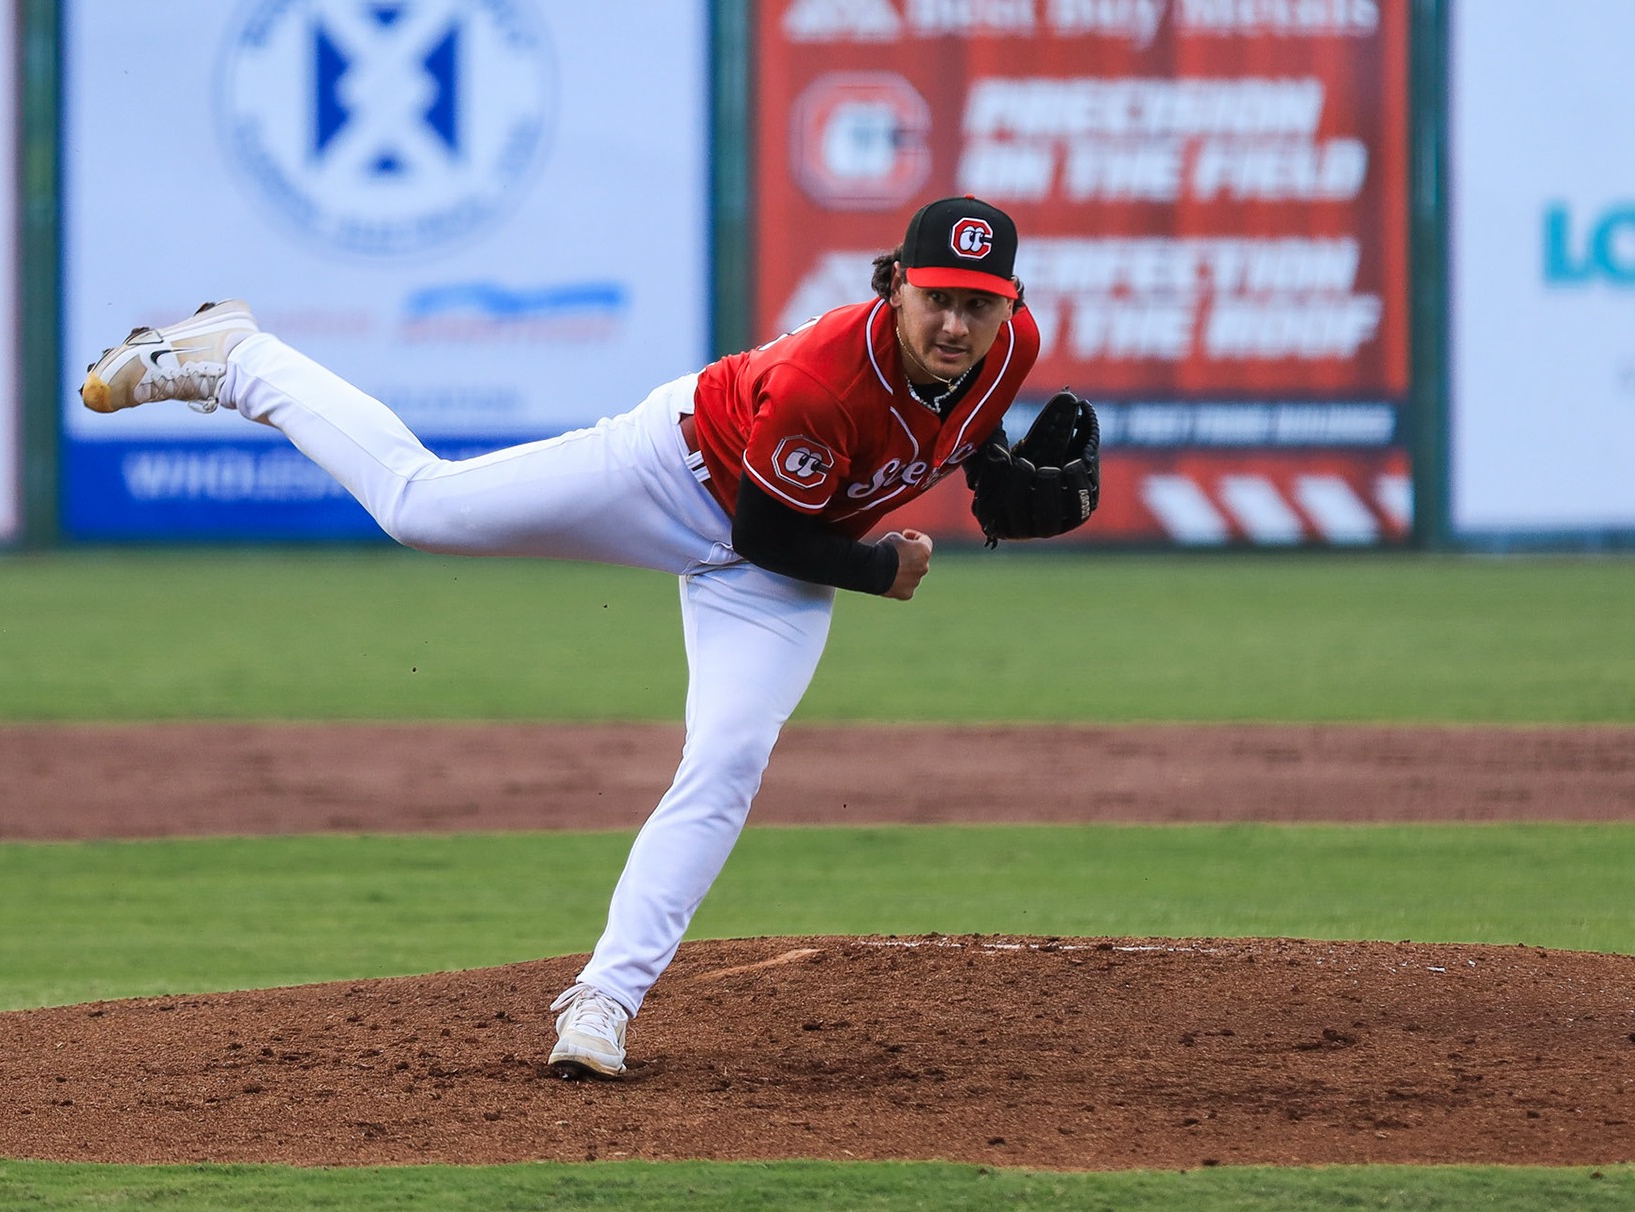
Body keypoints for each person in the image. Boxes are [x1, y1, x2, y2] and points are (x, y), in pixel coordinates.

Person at [81, 195, 1095, 1079]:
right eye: (938, 298)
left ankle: (602, 1002)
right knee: (421, 506)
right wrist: (884, 568)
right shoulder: (827, 376)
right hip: (679, 477)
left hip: (773, 565)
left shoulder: (1010, 350)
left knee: (731, 754)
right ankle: (238, 357)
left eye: (980, 301)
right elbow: (770, 532)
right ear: (895, 290)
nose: (958, 322)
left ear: (1008, 303)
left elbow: (953, 431)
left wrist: (994, 471)